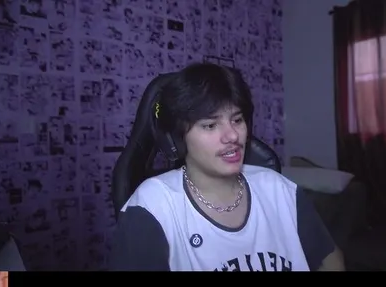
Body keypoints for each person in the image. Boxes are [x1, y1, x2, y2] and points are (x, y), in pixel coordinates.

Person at [111, 62, 345, 272]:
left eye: (237, 120)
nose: (232, 135)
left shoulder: (280, 189)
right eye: (210, 125)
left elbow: (331, 260)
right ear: (177, 139)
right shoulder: (153, 204)